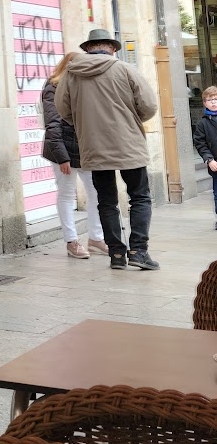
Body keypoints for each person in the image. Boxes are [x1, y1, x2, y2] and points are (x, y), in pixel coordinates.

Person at [55, 27, 159, 270]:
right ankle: (139, 251)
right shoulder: (125, 69)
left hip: (93, 145)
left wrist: (83, 125)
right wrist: (131, 120)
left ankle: (117, 255)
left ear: (88, 48)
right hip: (129, 143)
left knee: (106, 200)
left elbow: (63, 109)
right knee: (140, 197)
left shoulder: (71, 73)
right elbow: (149, 105)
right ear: (111, 48)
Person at [41, 54, 105, 258]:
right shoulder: (53, 87)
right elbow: (52, 124)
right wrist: (62, 156)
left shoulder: (85, 86)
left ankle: (96, 239)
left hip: (85, 150)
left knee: (96, 193)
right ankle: (72, 241)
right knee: (67, 194)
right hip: (62, 150)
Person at [192, 84, 217, 229]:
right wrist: (209, 159)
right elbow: (200, 143)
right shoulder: (203, 123)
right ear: (204, 103)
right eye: (209, 100)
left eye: (215, 99)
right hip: (215, 164)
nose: (213, 102)